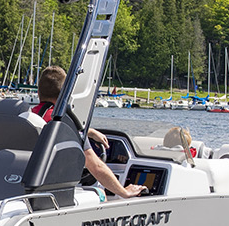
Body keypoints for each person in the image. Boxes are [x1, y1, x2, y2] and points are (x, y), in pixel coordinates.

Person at [34, 65, 147, 198]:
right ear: (66, 94)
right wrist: (124, 192)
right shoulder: (64, 124)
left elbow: (45, 128)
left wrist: (88, 131)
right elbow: (96, 166)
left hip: (29, 188)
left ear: (39, 92)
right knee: (101, 194)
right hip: (51, 193)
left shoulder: (30, 116)